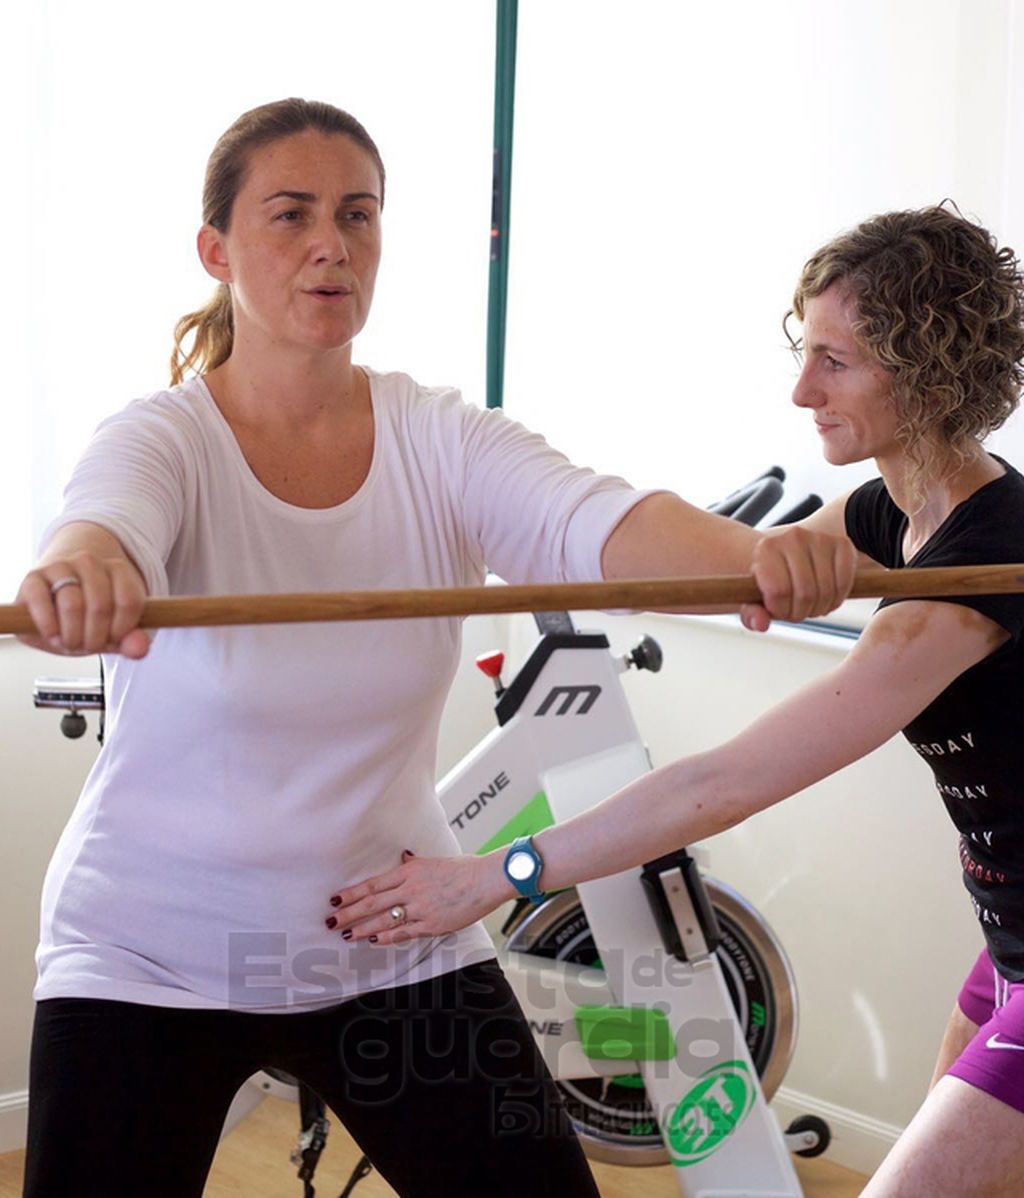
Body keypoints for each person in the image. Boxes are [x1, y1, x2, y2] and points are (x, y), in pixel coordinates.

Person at [15, 97, 857, 1198]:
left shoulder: (436, 434)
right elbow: (105, 519)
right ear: (217, 249)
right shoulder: (164, 437)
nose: (332, 243)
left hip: (389, 939)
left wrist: (754, 558)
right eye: (292, 214)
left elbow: (592, 519)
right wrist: (88, 568)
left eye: (358, 215)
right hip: (150, 953)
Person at [334, 205, 1024, 1196]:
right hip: (1000, 935)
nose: (801, 389)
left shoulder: (980, 562)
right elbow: (738, 563)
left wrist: (499, 873)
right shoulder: (893, 512)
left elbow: (725, 781)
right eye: (806, 353)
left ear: (924, 373)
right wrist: (762, 566)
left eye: (836, 362)